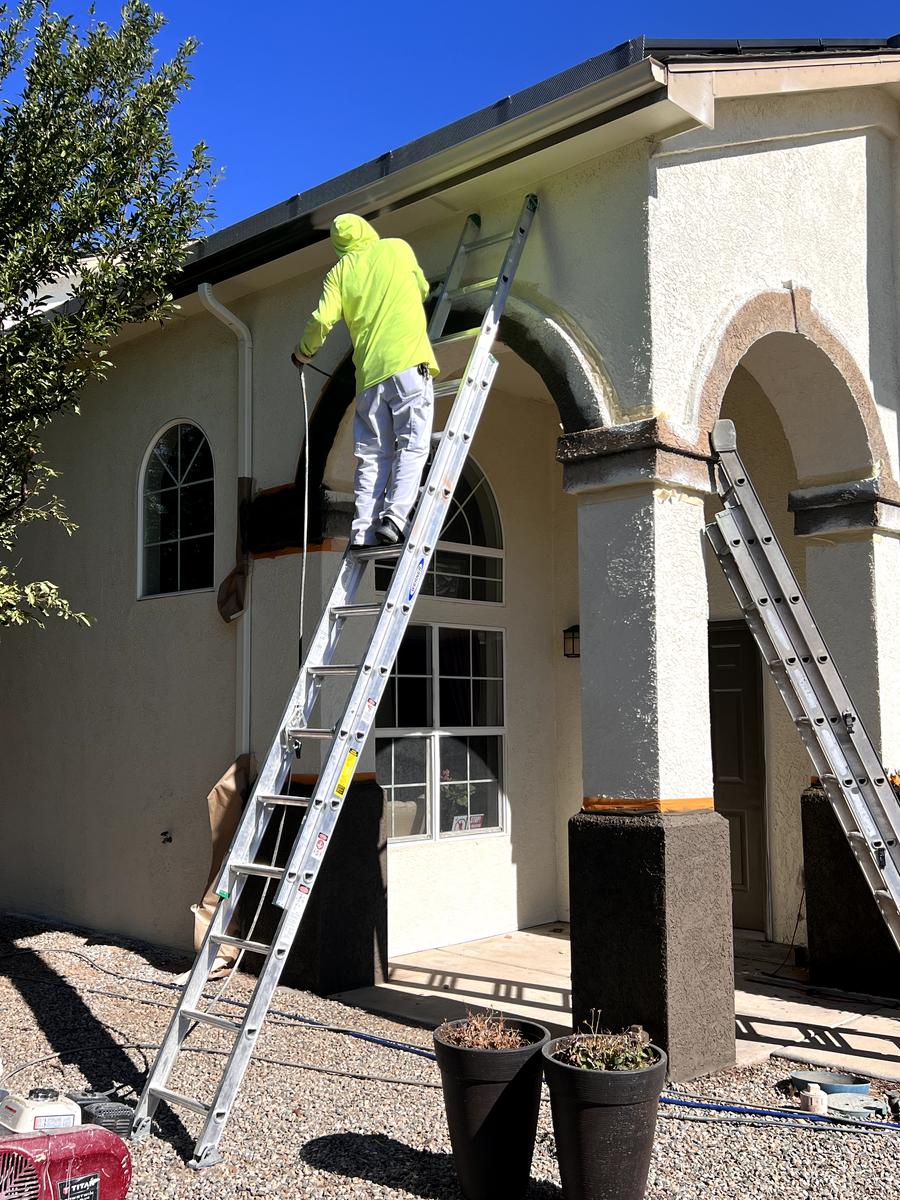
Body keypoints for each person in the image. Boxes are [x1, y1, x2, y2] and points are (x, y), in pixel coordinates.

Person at [293, 214, 439, 546]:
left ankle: (361, 531)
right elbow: (421, 289)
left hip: (369, 381)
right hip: (406, 366)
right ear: (366, 230)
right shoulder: (396, 249)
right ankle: (395, 518)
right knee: (412, 445)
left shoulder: (339, 274)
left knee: (373, 456)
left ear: (338, 245)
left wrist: (304, 352)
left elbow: (321, 320)